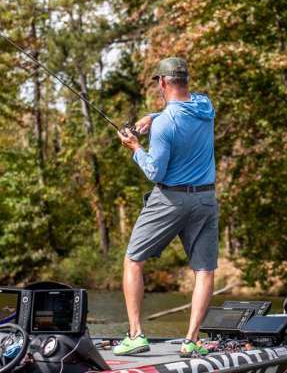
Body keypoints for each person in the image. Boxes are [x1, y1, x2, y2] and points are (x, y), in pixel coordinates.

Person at [115, 57, 218, 358]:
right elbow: (181, 109)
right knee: (204, 270)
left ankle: (135, 335)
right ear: (185, 80)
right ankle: (191, 340)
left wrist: (135, 148)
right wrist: (152, 116)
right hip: (205, 199)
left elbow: (154, 172)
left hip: (170, 199)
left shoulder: (164, 125)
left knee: (133, 259)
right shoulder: (206, 106)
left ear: (162, 83)